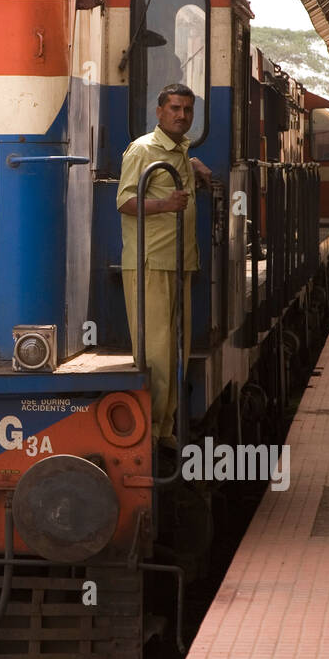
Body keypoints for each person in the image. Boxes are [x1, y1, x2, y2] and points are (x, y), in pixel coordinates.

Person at [116, 84, 211, 450]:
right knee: (155, 352)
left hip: (179, 263)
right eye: (174, 108)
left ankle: (166, 428)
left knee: (175, 351)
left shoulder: (181, 150)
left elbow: (178, 165)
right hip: (150, 263)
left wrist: (192, 164)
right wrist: (165, 204)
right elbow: (124, 201)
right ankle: (149, 434)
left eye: (187, 110)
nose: (181, 115)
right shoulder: (143, 150)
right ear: (159, 111)